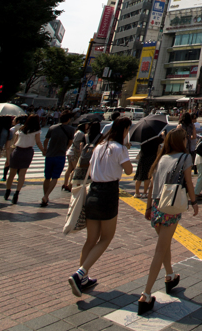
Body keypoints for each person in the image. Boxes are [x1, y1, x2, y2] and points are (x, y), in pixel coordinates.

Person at [68, 118, 133, 297]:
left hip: (93, 191)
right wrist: (125, 149)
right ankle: (80, 273)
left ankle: (83, 277)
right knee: (106, 238)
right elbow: (128, 171)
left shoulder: (99, 146)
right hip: (108, 193)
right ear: (125, 129)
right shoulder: (120, 149)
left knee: (91, 239)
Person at [139, 127, 199, 314]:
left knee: (164, 245)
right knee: (160, 249)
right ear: (179, 142)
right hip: (170, 206)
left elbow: (151, 186)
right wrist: (194, 201)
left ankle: (170, 275)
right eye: (184, 139)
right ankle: (146, 294)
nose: (186, 141)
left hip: (157, 204)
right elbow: (189, 182)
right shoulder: (185, 158)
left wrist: (148, 207)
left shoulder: (161, 158)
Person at [5, 115, 43, 203]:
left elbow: (15, 142)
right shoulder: (36, 131)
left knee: (11, 174)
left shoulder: (22, 129)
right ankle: (17, 193)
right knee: (22, 174)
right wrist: (43, 151)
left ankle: (7, 190)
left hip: (17, 151)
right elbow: (38, 142)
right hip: (28, 152)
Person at [41, 110, 73, 206]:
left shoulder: (52, 127)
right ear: (68, 119)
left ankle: (45, 196)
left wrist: (45, 149)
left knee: (47, 177)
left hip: (50, 155)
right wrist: (65, 148)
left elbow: (46, 140)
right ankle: (46, 196)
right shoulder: (71, 129)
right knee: (55, 177)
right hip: (60, 155)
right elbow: (70, 142)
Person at [134, 127, 163, 199]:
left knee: (139, 176)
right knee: (148, 176)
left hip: (142, 157)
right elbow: (163, 140)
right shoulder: (156, 138)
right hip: (151, 158)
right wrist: (162, 134)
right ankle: (144, 193)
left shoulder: (143, 137)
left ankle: (136, 192)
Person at [63, 120, 89, 191]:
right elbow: (75, 143)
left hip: (70, 152)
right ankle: (70, 185)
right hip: (74, 153)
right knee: (75, 169)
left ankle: (65, 184)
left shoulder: (77, 132)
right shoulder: (81, 133)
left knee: (70, 168)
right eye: (86, 125)